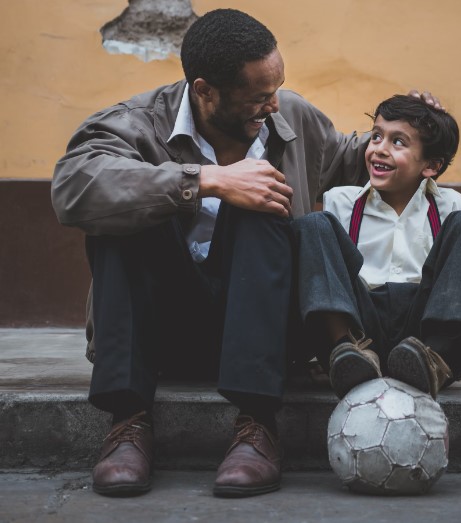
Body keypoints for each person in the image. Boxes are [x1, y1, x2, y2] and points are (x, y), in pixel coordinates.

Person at [51, 9, 441, 498]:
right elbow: (73, 187)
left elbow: (349, 159)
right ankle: (127, 422)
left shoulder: (289, 114)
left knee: (265, 199)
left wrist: (414, 133)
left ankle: (257, 425)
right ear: (205, 90)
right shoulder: (137, 124)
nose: (273, 104)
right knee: (124, 210)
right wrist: (205, 179)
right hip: (158, 331)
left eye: (277, 88)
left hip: (266, 333)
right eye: (258, 97)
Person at [292, 94, 461, 402]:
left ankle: (435, 361)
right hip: (360, 327)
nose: (379, 148)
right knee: (313, 224)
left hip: (422, 334)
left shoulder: (451, 206)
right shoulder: (341, 201)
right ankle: (344, 353)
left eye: (398, 142)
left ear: (431, 166)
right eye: (376, 136)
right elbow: (327, 277)